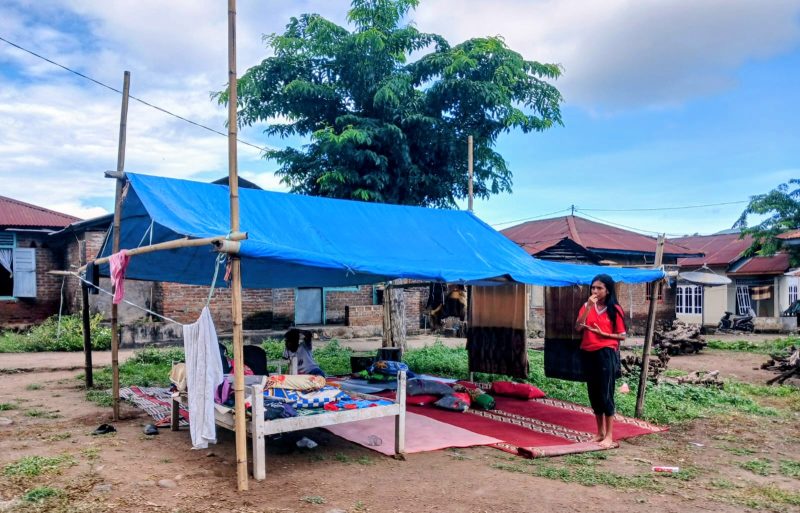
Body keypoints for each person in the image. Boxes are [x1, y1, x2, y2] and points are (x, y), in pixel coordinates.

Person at [575, 273, 626, 448]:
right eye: (593, 287)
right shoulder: (586, 306)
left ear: (608, 290)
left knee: (606, 393)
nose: (595, 291)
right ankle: (600, 433)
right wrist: (589, 307)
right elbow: (578, 327)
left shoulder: (615, 309)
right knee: (594, 393)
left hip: (606, 353)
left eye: (599, 288)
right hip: (588, 352)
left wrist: (604, 335)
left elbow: (622, 336)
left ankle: (610, 436)